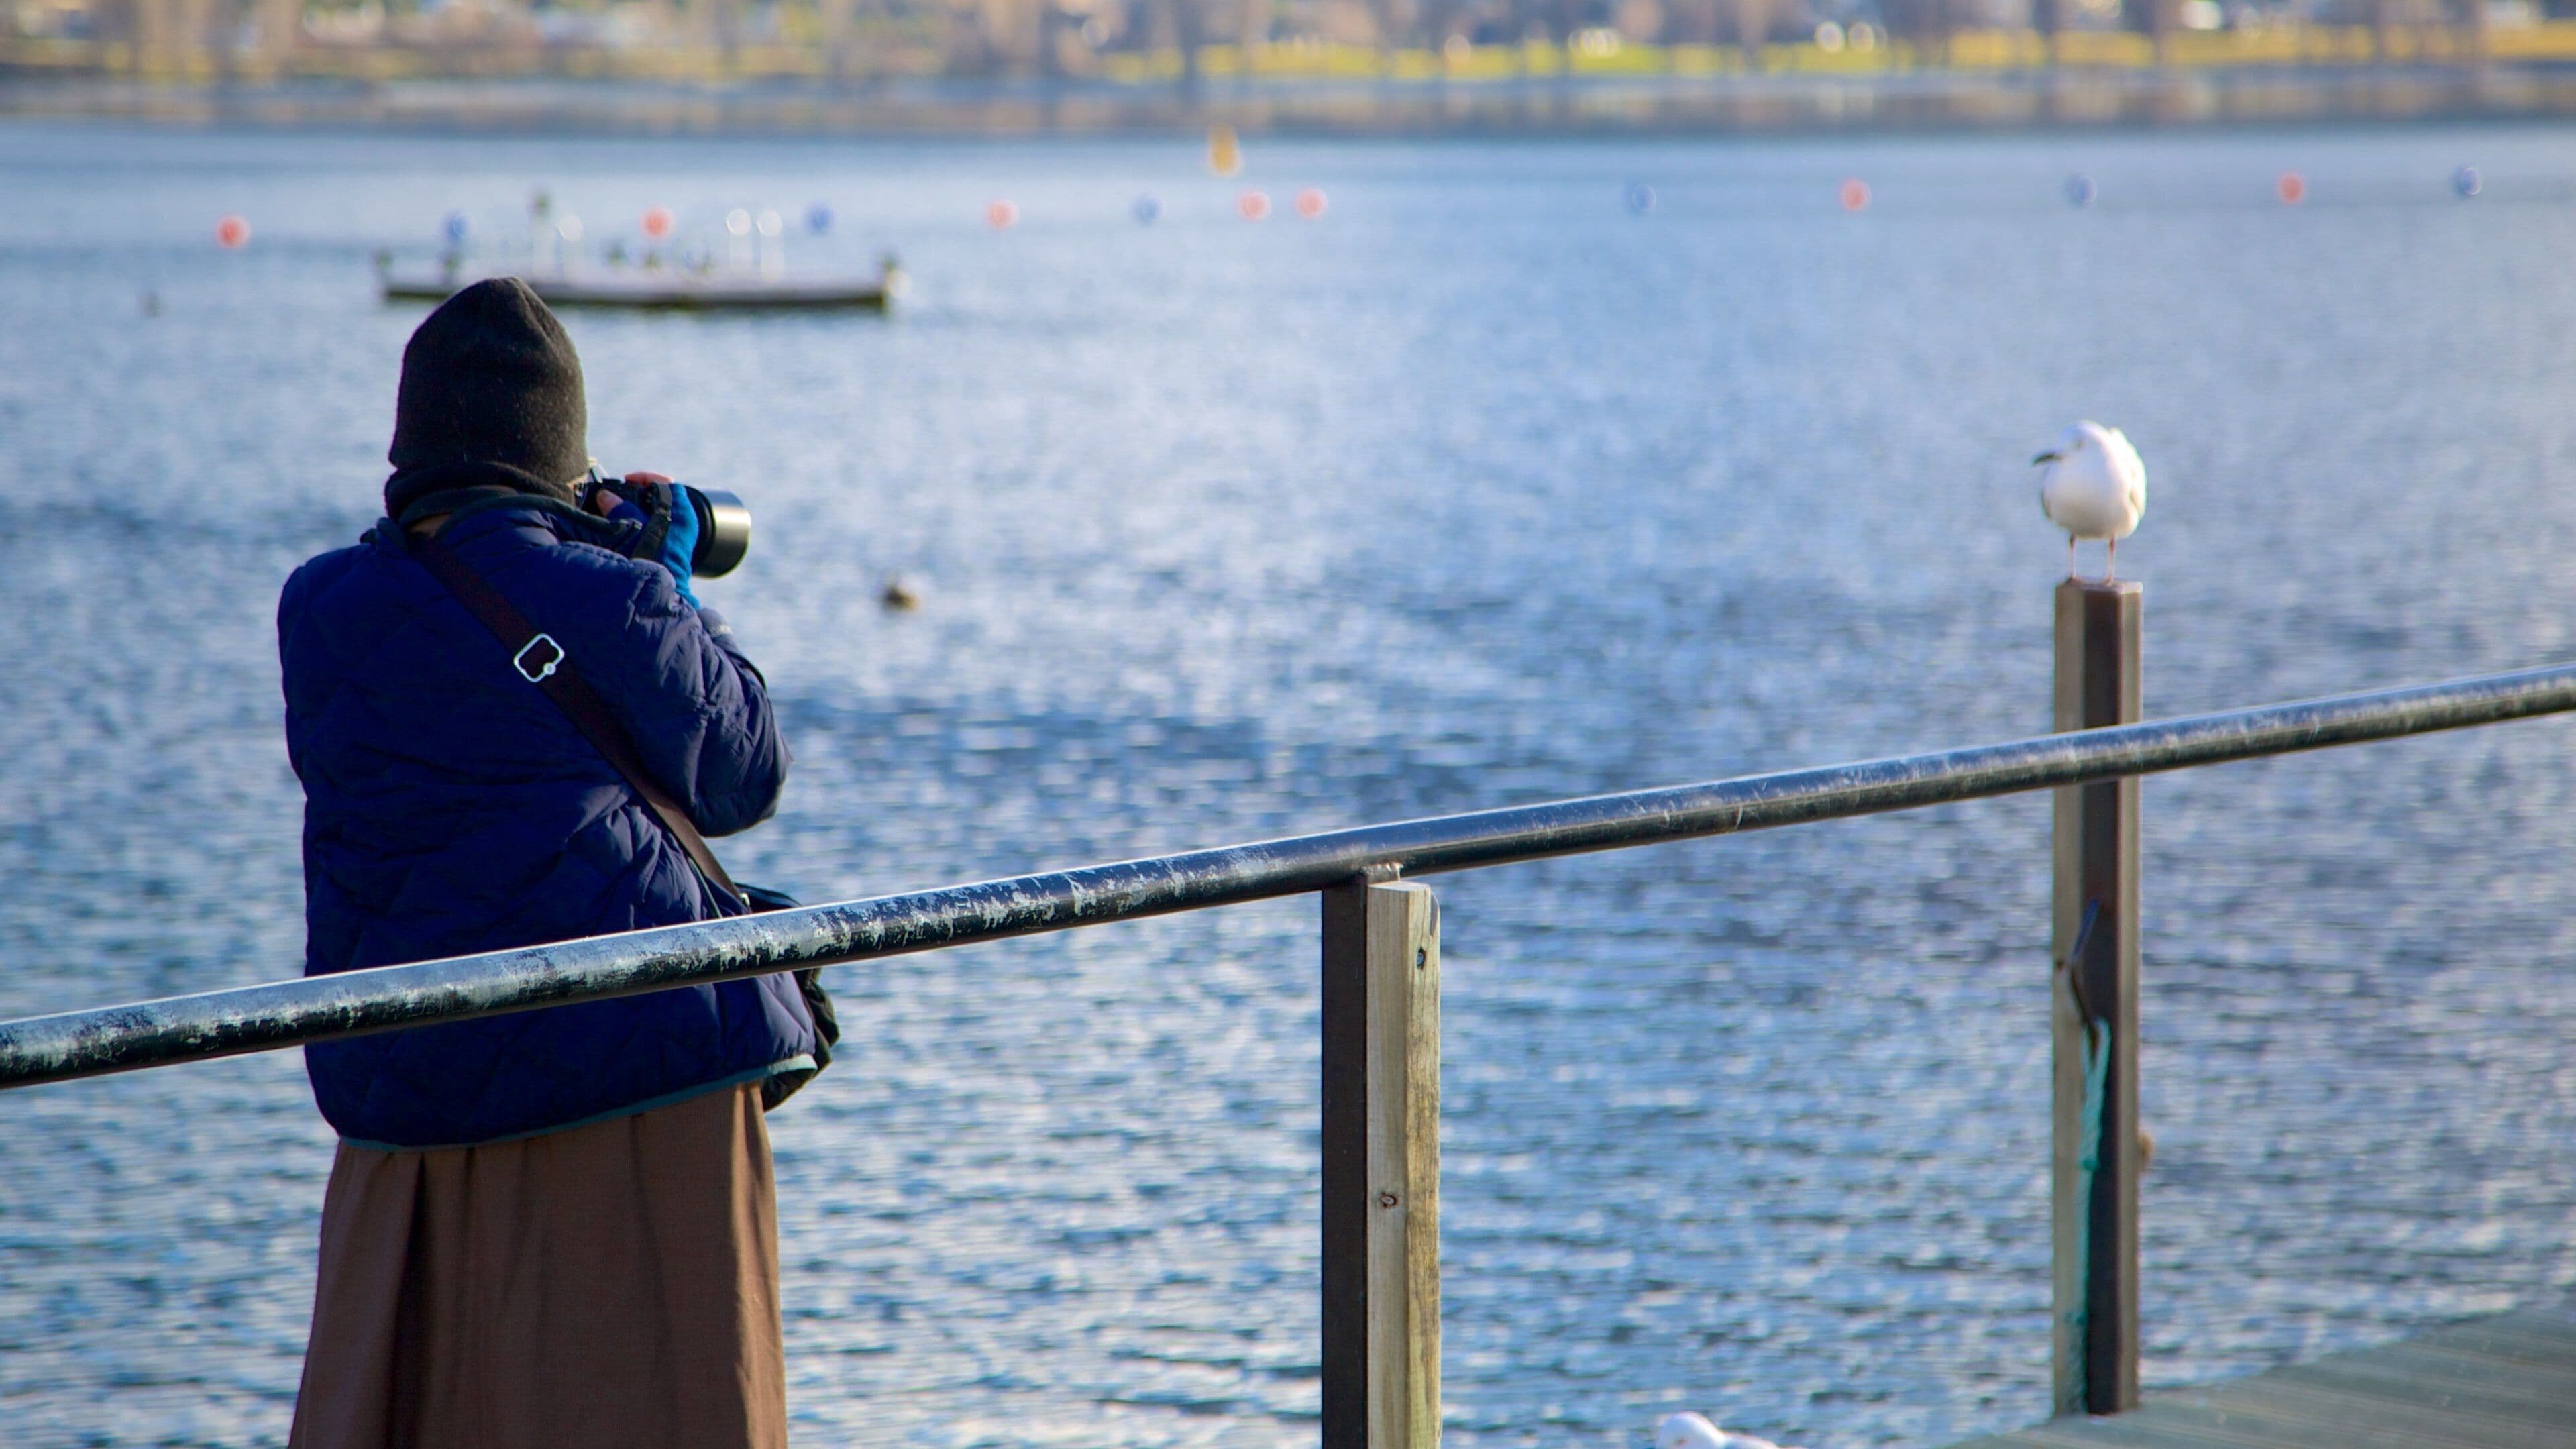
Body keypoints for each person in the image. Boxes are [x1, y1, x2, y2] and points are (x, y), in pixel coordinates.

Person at [276, 278, 820, 1449]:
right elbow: (744, 774)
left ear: (409, 443)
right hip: (636, 1073)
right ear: (559, 458)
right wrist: (660, 584)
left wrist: (594, 565)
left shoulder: (318, 606)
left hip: (404, 1087)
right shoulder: (611, 594)